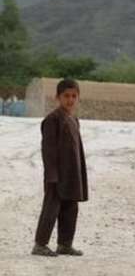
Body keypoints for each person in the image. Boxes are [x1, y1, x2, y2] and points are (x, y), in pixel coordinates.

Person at [32, 79, 88, 257]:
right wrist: (52, 175)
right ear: (58, 97)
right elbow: (48, 150)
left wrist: (79, 173)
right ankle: (40, 244)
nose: (70, 100)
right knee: (51, 207)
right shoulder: (52, 119)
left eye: (74, 96)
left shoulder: (73, 119)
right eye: (66, 96)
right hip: (56, 174)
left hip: (72, 173)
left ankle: (65, 244)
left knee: (71, 207)